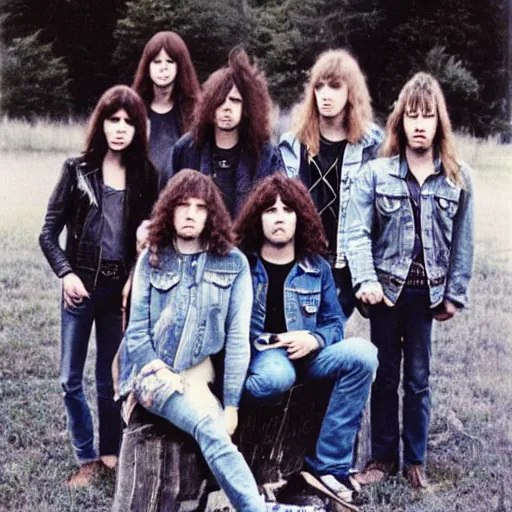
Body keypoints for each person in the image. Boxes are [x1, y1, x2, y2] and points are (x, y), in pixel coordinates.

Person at [346, 72, 474, 489]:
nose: (420, 124)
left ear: (440, 122)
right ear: (400, 121)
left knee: (418, 379)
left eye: (428, 116)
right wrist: (365, 280)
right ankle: (382, 458)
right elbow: (356, 232)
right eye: (412, 116)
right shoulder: (376, 173)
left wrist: (454, 293)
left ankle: (415, 461)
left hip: (428, 296)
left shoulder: (457, 177)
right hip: (385, 293)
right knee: (384, 376)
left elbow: (463, 241)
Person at [116, 170, 266, 511]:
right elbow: (136, 332)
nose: (190, 214)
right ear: (169, 209)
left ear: (211, 214)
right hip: (152, 374)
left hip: (199, 375)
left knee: (216, 430)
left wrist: (231, 404)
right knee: (207, 427)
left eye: (200, 207)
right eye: (183, 205)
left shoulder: (234, 264)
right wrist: (160, 371)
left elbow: (239, 340)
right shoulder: (152, 258)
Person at [234, 173, 378, 510]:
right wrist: (275, 341)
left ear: (301, 217)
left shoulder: (318, 268)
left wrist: (313, 338)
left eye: (287, 210)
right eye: (270, 210)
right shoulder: (243, 265)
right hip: (264, 355)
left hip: (309, 356)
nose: (279, 217)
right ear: (258, 219)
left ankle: (327, 465)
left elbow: (333, 325)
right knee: (275, 378)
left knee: (364, 353)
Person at [39, 85, 158, 485]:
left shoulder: (145, 175)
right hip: (79, 289)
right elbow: (48, 233)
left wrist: (133, 279)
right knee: (70, 378)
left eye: (129, 121)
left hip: (117, 292)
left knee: (111, 378)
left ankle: (110, 450)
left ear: (138, 128)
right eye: (113, 119)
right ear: (102, 123)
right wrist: (66, 273)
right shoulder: (76, 170)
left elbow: (148, 238)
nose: (120, 128)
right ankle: (86, 456)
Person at [279, 49, 383, 318]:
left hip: (344, 261)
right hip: (301, 255)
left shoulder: (371, 145)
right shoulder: (293, 143)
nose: (325, 94)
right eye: (319, 86)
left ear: (351, 92)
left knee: (331, 333)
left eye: (335, 86)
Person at [160, 47, 283, 217]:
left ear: (247, 108)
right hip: (198, 242)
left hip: (246, 242)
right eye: (220, 101)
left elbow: (278, 209)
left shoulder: (266, 155)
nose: (226, 108)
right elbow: (165, 207)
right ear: (210, 107)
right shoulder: (185, 150)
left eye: (234, 101)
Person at [132, 31, 201, 175]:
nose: (163, 67)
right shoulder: (132, 111)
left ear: (180, 67)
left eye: (170, 61)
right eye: (157, 62)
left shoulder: (196, 114)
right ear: (147, 67)